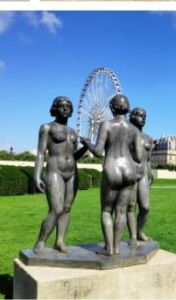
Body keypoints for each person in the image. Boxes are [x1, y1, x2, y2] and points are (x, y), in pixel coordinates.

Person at [82, 94, 143, 255]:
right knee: (121, 212)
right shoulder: (134, 130)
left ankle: (109, 248)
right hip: (129, 170)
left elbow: (97, 151)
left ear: (112, 108)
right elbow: (138, 157)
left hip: (112, 168)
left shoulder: (106, 125)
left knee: (106, 211)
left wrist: (87, 143)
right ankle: (116, 247)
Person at [33, 97, 87, 253]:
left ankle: (60, 241)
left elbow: (73, 156)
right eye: (62, 106)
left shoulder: (73, 132)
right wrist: (37, 175)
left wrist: (86, 148)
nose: (65, 109)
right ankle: (40, 241)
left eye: (68, 106)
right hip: (55, 170)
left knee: (67, 208)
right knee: (56, 209)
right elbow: (41, 153)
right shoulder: (47, 128)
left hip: (72, 172)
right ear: (55, 109)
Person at [128, 107, 154, 241]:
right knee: (131, 206)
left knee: (145, 207)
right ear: (132, 117)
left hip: (143, 174)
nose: (143, 118)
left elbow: (148, 159)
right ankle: (133, 235)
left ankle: (139, 232)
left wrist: (150, 173)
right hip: (131, 173)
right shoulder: (127, 135)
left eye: (144, 116)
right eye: (139, 115)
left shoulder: (148, 138)